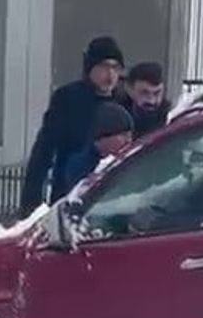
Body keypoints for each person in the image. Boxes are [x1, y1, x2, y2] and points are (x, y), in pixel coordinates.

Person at [20, 36, 127, 211]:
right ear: (90, 68)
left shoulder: (122, 102)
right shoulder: (68, 99)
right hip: (69, 191)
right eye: (103, 66)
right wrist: (30, 202)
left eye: (115, 68)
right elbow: (44, 149)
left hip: (111, 196)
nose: (110, 74)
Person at [59, 102, 133, 196]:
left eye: (130, 135)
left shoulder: (131, 160)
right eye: (123, 135)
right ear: (104, 136)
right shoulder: (78, 165)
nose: (128, 140)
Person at [124, 61, 172, 139]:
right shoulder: (117, 116)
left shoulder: (171, 117)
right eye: (144, 93)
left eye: (157, 93)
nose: (151, 101)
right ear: (129, 90)